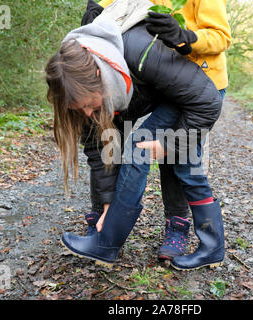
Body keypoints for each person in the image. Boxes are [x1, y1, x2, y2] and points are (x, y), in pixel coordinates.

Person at [46, 2, 226, 270]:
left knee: (179, 163)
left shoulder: (138, 55)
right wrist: (108, 203)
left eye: (88, 105)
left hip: (200, 85)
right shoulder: (76, 79)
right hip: (167, 78)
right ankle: (106, 231)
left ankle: (201, 241)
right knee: (124, 147)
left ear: (98, 76)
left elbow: (208, 98)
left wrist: (171, 146)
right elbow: (98, 145)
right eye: (80, 109)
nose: (86, 112)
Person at [95, 0, 232, 261]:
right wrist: (97, 7)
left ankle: (192, 236)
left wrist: (185, 37)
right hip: (170, 83)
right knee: (172, 155)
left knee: (181, 160)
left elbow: (221, 36)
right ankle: (193, 237)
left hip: (204, 85)